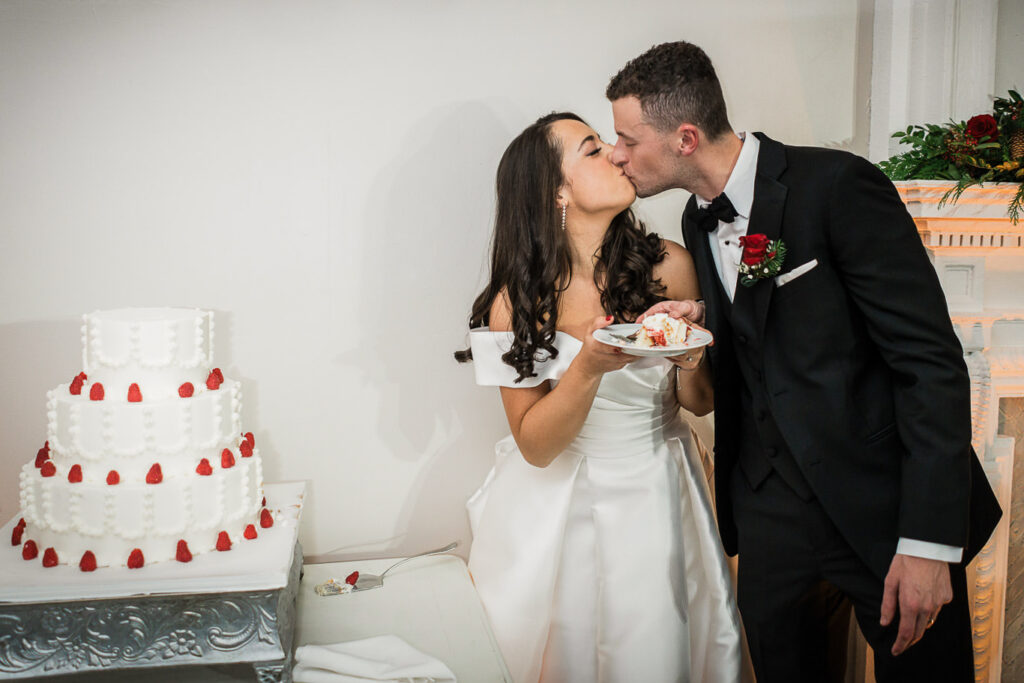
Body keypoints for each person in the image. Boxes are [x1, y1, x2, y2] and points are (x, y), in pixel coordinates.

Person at [605, 41, 1002, 682]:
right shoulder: (695, 216)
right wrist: (706, 322)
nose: (618, 154)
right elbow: (764, 332)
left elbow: (929, 363)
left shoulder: (838, 186)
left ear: (684, 137)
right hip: (768, 515)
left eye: (627, 139)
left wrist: (929, 543)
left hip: (882, 507)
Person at [456, 112, 743, 683]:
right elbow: (536, 447)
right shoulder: (516, 305)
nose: (616, 152)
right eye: (591, 149)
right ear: (554, 190)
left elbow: (702, 400)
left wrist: (686, 348)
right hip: (557, 510)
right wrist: (587, 367)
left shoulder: (670, 265)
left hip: (661, 490)